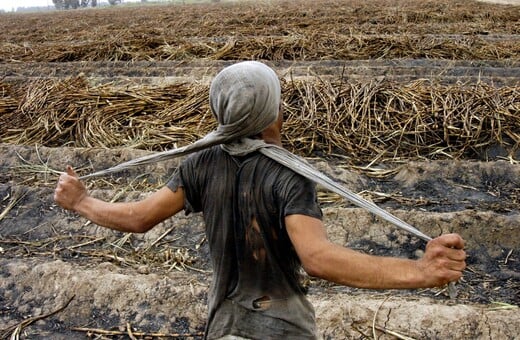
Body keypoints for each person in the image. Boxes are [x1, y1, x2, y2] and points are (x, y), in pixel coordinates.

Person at [54, 61, 466, 340]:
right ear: (273, 110)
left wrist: (81, 202)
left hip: (223, 325)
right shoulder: (289, 176)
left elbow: (140, 217)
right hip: (281, 328)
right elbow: (318, 258)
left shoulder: (199, 165)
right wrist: (421, 272)